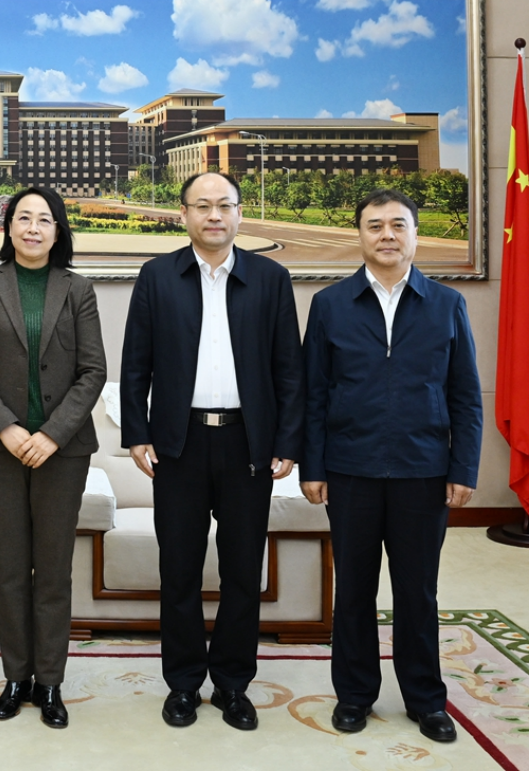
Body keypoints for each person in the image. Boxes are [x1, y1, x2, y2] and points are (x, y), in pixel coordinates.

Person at [120, 171, 304, 732]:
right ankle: (182, 683)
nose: (214, 215)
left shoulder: (270, 279)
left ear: (240, 213)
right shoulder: (157, 276)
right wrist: (137, 434)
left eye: (225, 205)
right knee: (178, 569)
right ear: (184, 215)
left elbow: (288, 369)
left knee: (243, 570)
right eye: (202, 206)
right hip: (179, 444)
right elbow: (135, 364)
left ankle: (232, 683)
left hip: (249, 444)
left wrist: (287, 441)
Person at [301, 189, 482, 744]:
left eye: (398, 225)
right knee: (354, 591)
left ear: (415, 235)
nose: (386, 235)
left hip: (422, 471)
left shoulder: (446, 304)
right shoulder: (330, 304)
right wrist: (313, 467)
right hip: (350, 469)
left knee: (417, 592)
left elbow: (465, 395)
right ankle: (354, 696)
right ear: (359, 235)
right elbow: (314, 394)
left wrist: (463, 468)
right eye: (375, 225)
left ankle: (426, 700)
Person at [0, 187, 106, 729]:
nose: (34, 228)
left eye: (45, 219)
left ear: (58, 230)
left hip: (63, 452)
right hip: (0, 448)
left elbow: (93, 371)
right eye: (24, 218)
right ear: (9, 227)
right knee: (11, 568)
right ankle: (15, 677)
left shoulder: (78, 288)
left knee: (54, 571)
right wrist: (7, 427)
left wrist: (53, 434)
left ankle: (50, 682)